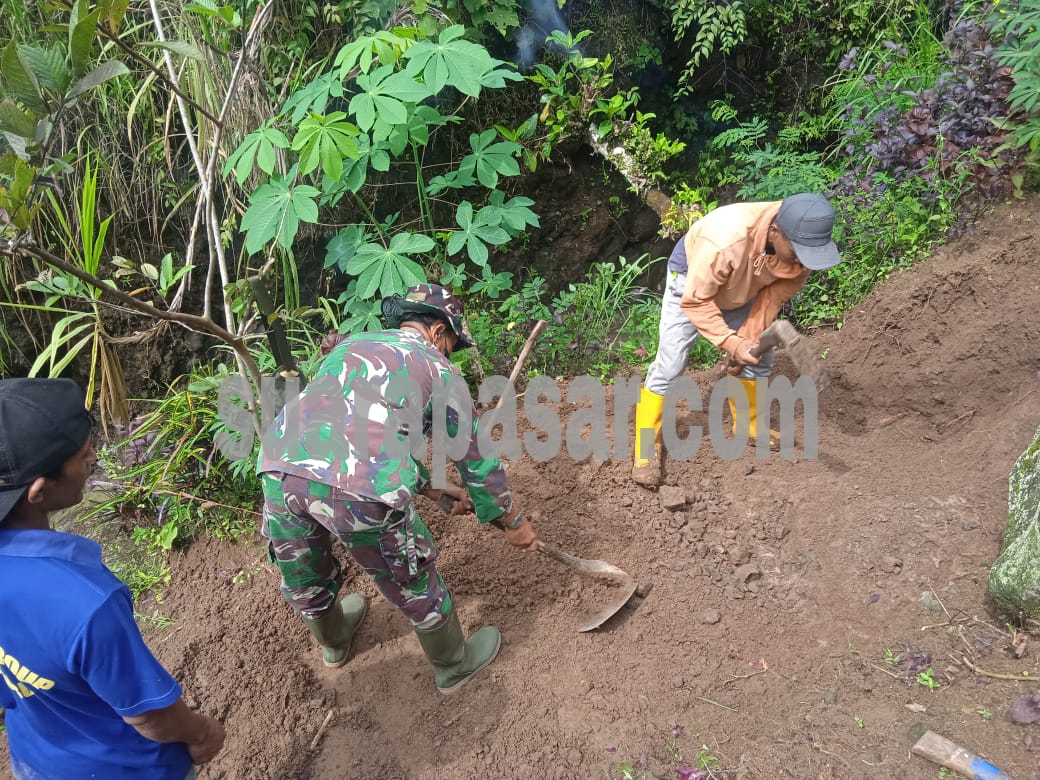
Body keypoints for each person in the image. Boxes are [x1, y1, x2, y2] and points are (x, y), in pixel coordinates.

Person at [258, 283, 539, 695]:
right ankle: (454, 664)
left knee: (303, 568)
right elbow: (476, 461)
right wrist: (511, 521)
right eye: (452, 344)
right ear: (439, 331)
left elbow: (360, 432)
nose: (449, 352)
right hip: (360, 491)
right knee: (411, 576)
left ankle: (334, 641)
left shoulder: (352, 345)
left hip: (280, 467)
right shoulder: (440, 371)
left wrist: (433, 489)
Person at [0, 378, 225, 780]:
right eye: (83, 454)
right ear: (38, 491)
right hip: (123, 768)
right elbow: (152, 716)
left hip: (37, 760)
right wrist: (201, 731)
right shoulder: (83, 603)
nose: (93, 457)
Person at [632, 193, 843, 486]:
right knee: (671, 363)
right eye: (797, 252)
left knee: (759, 357)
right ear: (774, 232)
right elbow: (695, 302)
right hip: (692, 280)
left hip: (745, 282)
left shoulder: (801, 250)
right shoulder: (725, 240)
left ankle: (748, 425)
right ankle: (646, 446)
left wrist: (745, 340)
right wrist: (730, 342)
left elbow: (771, 298)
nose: (802, 262)